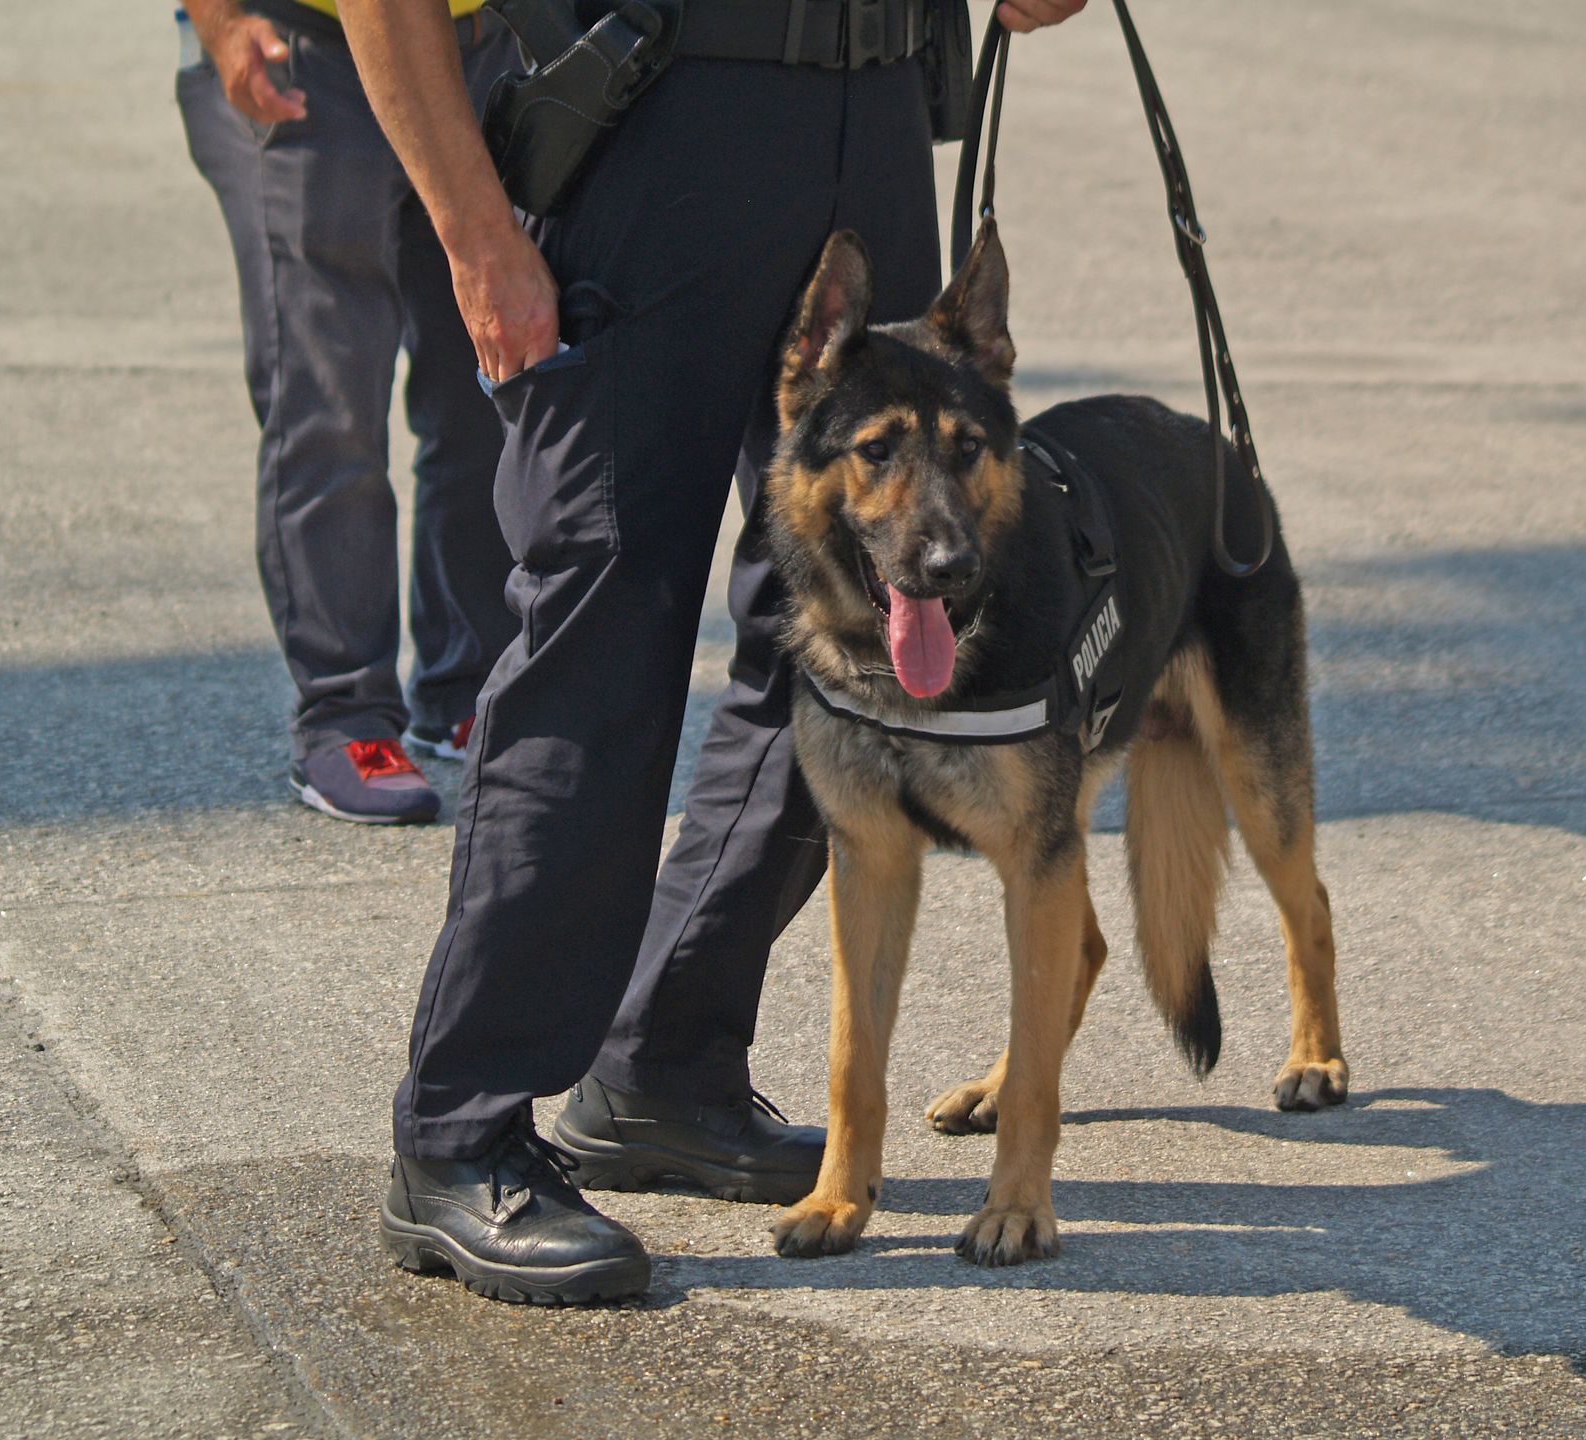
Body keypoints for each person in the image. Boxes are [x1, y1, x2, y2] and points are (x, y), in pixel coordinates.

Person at [342, 0, 1088, 1303]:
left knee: (857, 645)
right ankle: (460, 1136)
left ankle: (664, 1063)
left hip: (875, 115)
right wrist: (472, 231)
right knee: (602, 642)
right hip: (656, 121)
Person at [178, 0, 520, 824]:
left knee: (487, 386)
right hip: (303, 52)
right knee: (329, 403)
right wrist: (220, 23)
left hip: (479, 47)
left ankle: (465, 685)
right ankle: (346, 716)